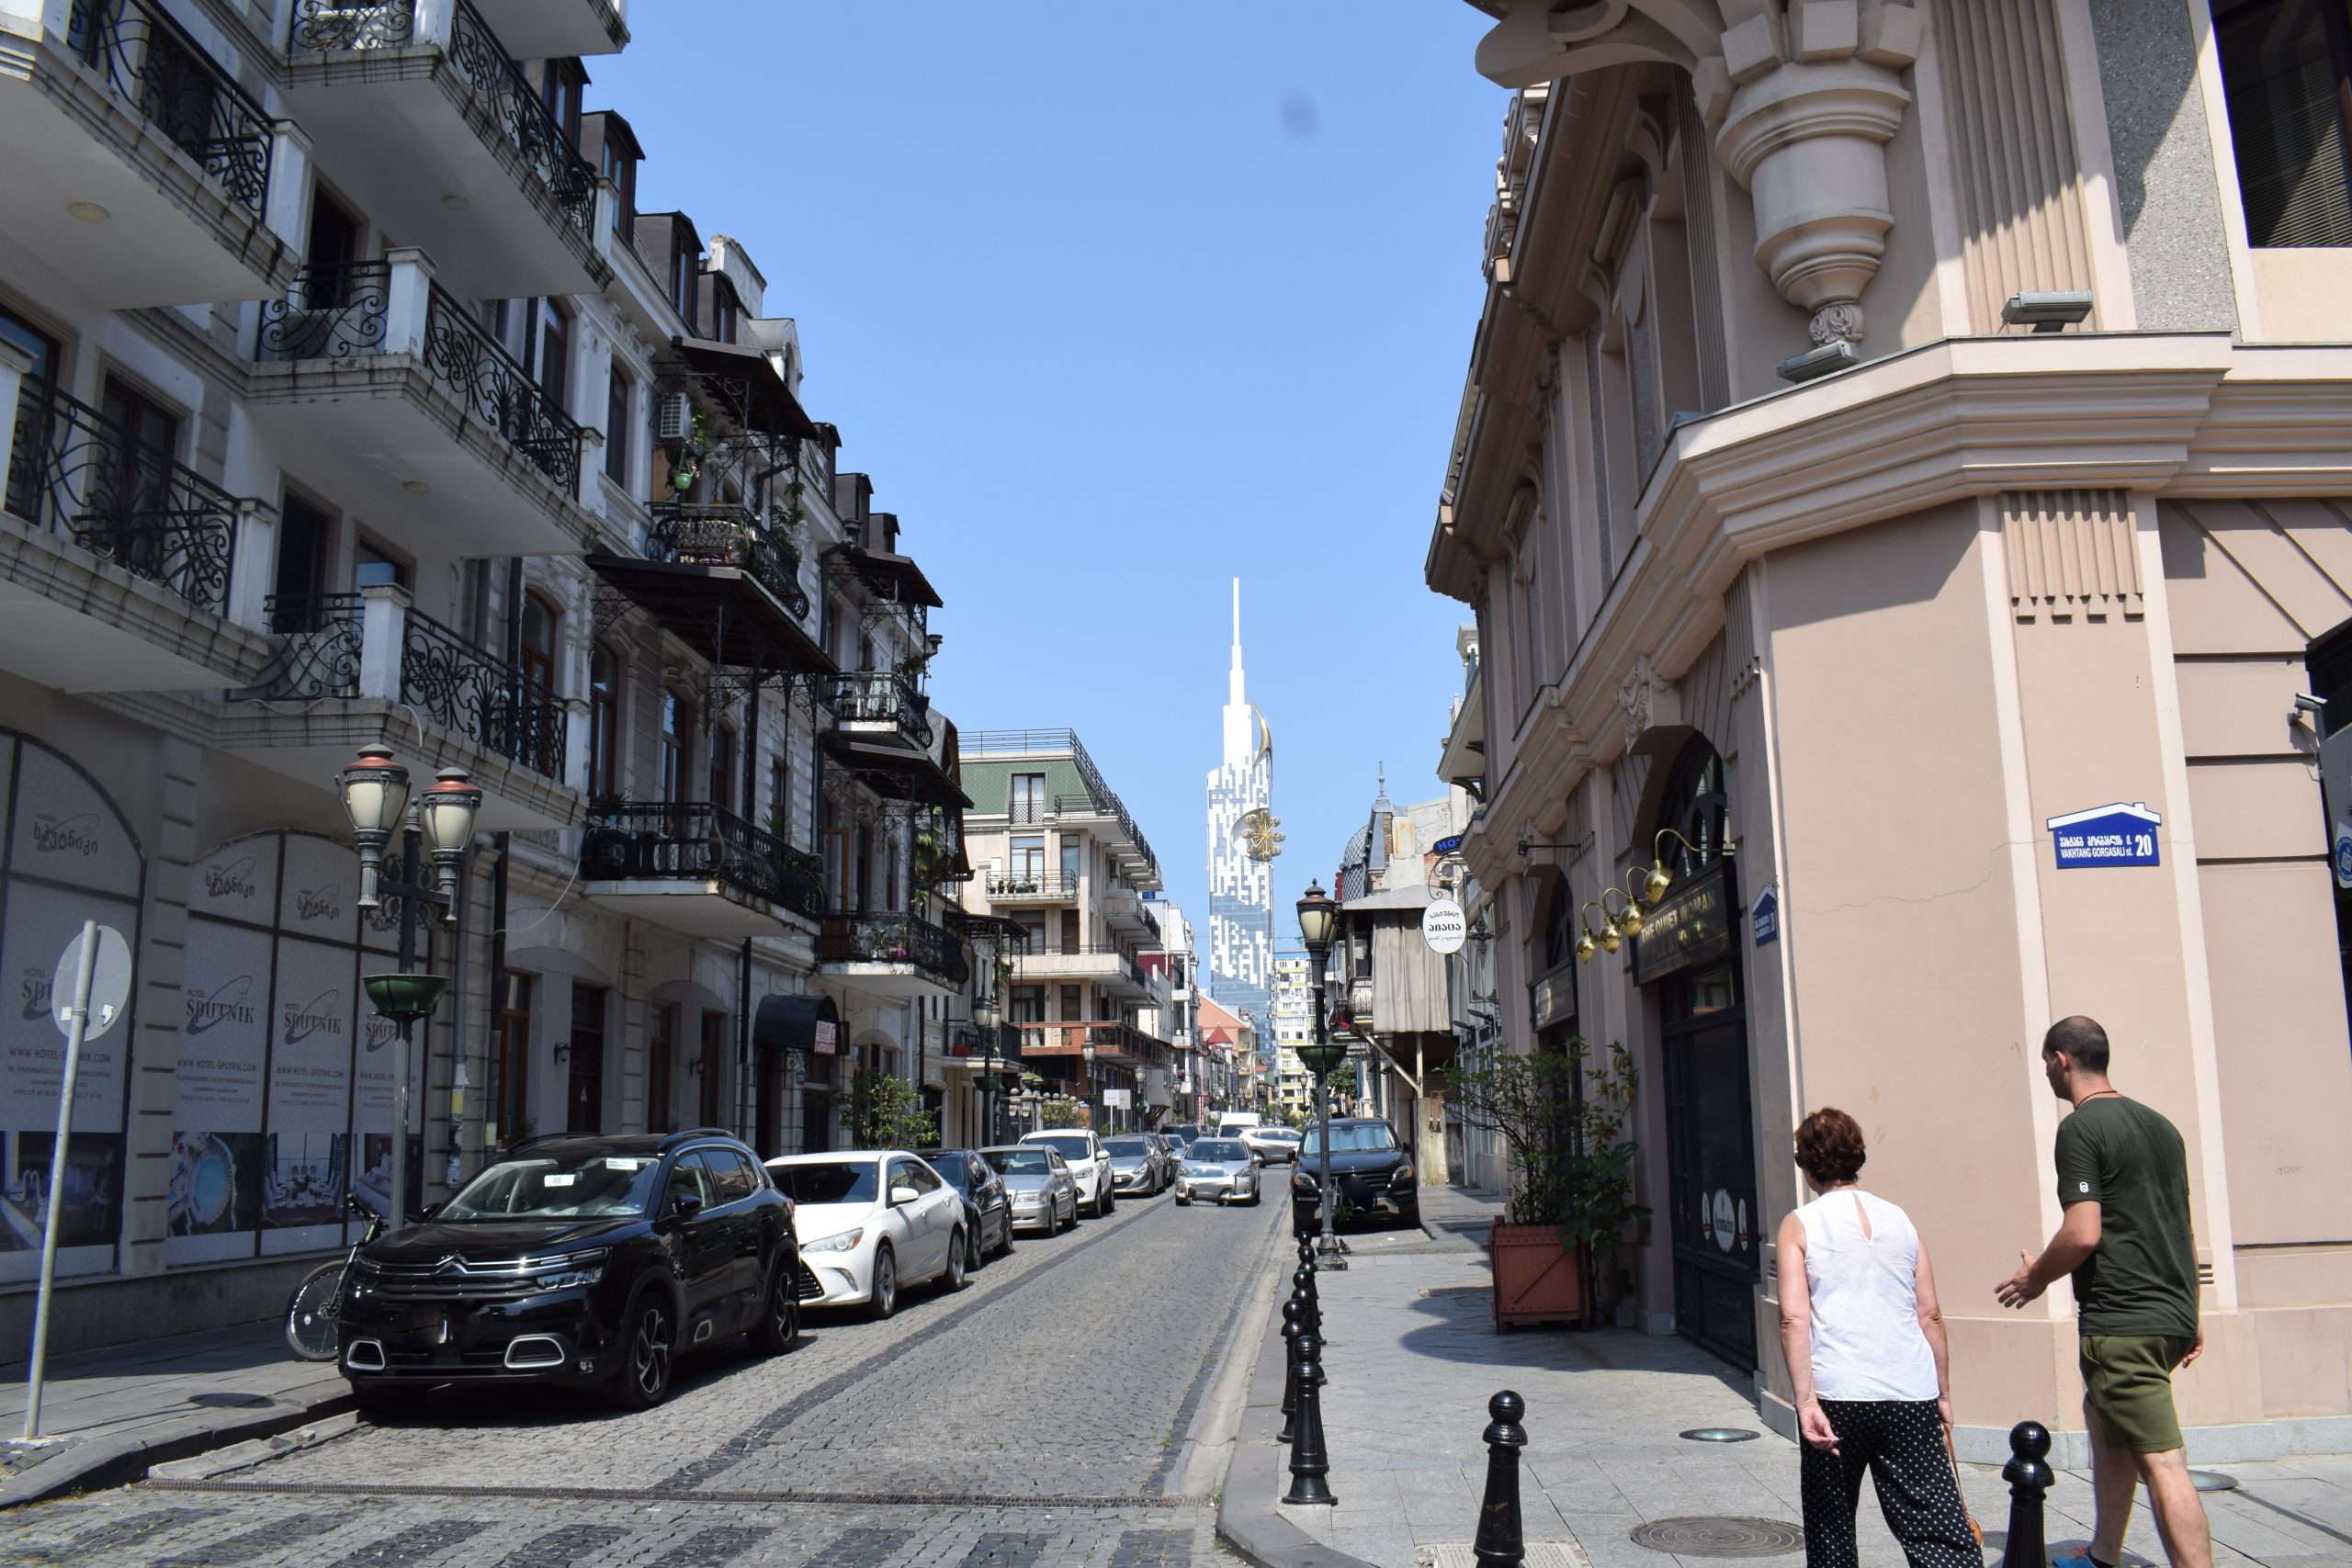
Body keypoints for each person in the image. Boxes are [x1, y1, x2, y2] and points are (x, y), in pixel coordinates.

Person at [1996, 1016, 2210, 1568]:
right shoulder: (2162, 1127)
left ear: (2061, 1060)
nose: (2046, 1071)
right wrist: (2192, 1311)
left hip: (2123, 1323)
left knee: (2163, 1462)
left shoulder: (2082, 1128)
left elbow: (2083, 1231)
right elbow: (2182, 1228)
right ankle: (2104, 1555)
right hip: (2170, 1312)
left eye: (2045, 1062)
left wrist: (2036, 1276)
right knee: (2105, 1423)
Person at [1777, 1108, 1977, 1568]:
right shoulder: (1901, 1220)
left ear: (1807, 1167)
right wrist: (1942, 1391)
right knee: (1934, 1526)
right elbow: (1930, 1313)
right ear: (1857, 1157)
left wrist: (1805, 1403)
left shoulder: (1801, 1223)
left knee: (1832, 1531)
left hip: (1837, 1393)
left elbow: (1793, 1317)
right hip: (1909, 1389)